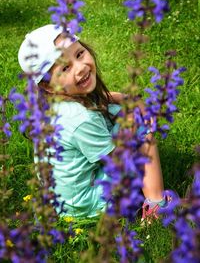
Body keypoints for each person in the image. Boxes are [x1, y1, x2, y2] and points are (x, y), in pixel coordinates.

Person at [18, 24, 167, 220]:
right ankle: (157, 208)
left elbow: (104, 100)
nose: (80, 68)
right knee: (142, 127)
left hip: (60, 200)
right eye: (65, 67)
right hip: (87, 206)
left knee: (114, 110)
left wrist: (123, 98)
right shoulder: (80, 119)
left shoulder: (55, 105)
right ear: (49, 85)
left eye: (79, 54)